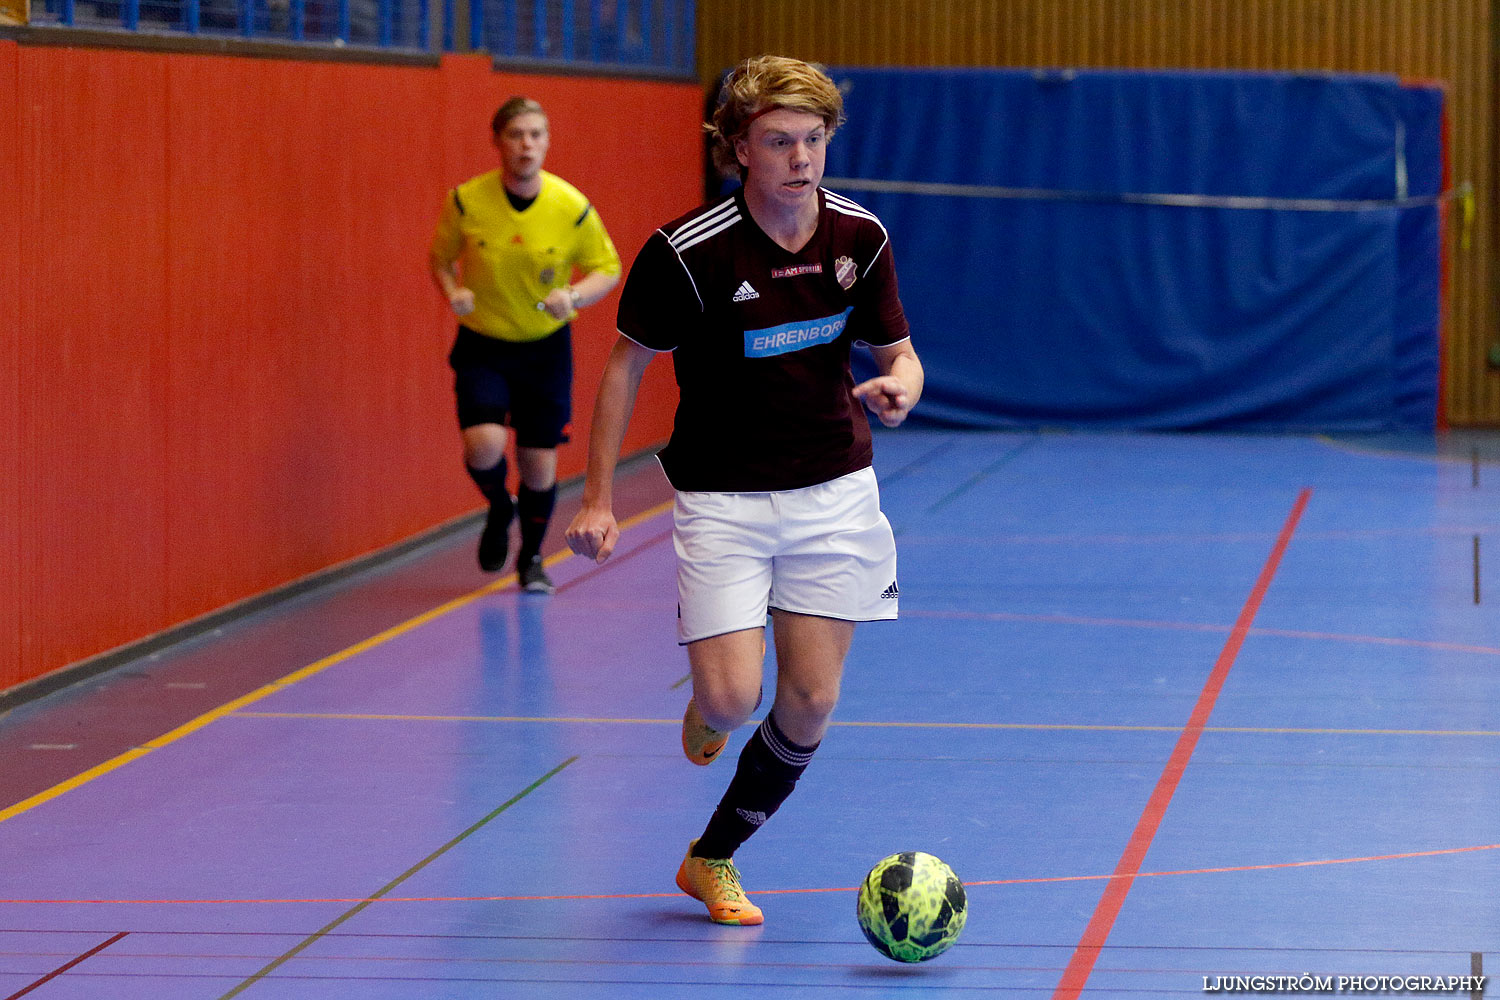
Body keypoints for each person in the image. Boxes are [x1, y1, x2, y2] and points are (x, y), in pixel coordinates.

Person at [565, 55, 923, 925]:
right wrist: (598, 498)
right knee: (733, 697)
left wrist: (904, 384)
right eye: (778, 142)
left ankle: (711, 857)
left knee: (810, 700)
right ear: (736, 149)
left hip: (834, 493)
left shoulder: (859, 238)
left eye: (813, 140)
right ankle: (708, 704)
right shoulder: (686, 253)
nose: (800, 158)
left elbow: (897, 352)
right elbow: (624, 371)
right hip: (725, 498)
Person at [430, 96, 622, 593]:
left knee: (539, 467)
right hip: (485, 344)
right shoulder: (466, 201)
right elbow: (440, 259)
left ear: (547, 142)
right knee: (484, 445)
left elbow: (608, 267)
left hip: (544, 349)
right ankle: (499, 507)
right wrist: (455, 291)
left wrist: (573, 294)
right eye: (516, 135)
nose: (527, 144)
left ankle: (532, 558)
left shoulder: (570, 207)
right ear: (498, 142)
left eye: (536, 134)